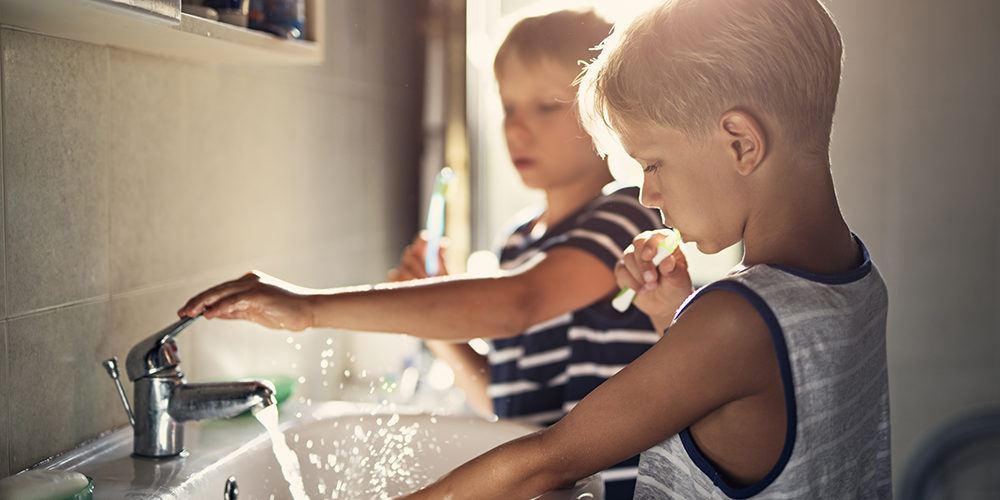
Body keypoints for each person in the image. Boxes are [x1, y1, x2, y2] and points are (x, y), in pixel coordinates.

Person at [389, 0, 892, 498]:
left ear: (741, 143)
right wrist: (676, 317)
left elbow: (544, 464)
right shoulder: (854, 277)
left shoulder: (735, 321)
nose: (647, 196)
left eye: (651, 164)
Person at [179, 8, 664, 498]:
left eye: (546, 106)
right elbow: (501, 392)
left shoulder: (627, 215)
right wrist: (432, 317)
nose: (517, 128)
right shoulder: (519, 240)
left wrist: (309, 308)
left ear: (604, 110)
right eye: (508, 107)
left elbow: (520, 303)